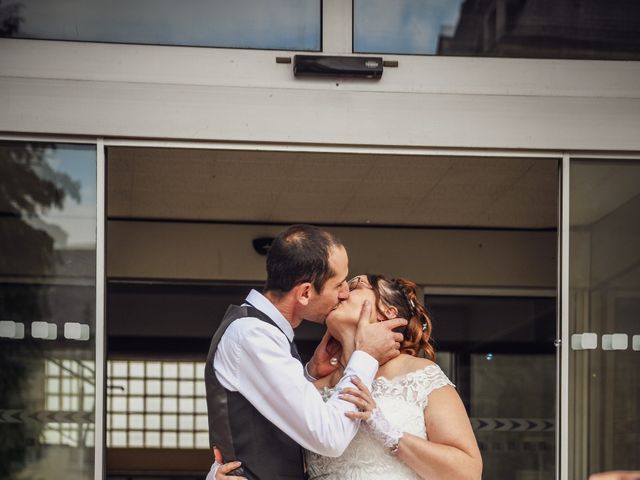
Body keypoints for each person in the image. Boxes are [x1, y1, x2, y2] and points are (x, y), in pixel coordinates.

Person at [215, 274, 483, 480]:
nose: (342, 292)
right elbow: (265, 448)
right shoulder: (310, 383)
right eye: (340, 286)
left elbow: (468, 471)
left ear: (388, 312)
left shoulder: (420, 374)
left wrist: (388, 433)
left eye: (354, 287)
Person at [204, 225, 407, 480]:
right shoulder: (253, 335)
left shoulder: (263, 333)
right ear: (305, 293)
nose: (345, 293)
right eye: (339, 284)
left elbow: (269, 416)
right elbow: (329, 437)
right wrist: (365, 355)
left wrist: (309, 375)